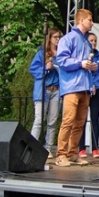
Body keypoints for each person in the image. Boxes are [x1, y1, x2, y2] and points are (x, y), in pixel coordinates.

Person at [55, 9, 97, 167]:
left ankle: (73, 153)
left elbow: (84, 64)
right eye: (90, 20)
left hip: (84, 87)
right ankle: (61, 155)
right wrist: (81, 63)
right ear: (81, 21)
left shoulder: (86, 42)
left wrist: (91, 67)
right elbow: (61, 60)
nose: (92, 23)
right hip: (71, 86)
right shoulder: (68, 38)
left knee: (79, 123)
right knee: (68, 121)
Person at [29, 27, 62, 158]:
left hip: (56, 90)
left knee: (52, 121)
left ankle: (48, 148)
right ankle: (31, 147)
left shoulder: (61, 53)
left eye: (59, 37)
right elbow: (33, 69)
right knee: (39, 120)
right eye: (55, 37)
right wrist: (45, 68)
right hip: (43, 90)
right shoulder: (41, 53)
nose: (58, 39)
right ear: (49, 38)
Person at [78, 32, 99, 159]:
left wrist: (95, 85)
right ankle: (81, 148)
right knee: (82, 120)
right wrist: (89, 84)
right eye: (91, 40)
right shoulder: (82, 55)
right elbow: (82, 73)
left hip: (96, 91)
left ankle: (95, 149)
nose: (93, 43)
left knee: (95, 120)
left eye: (95, 41)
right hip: (84, 91)